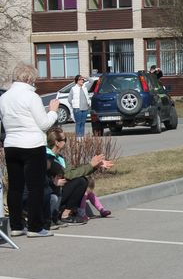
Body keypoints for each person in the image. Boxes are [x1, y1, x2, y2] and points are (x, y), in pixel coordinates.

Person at [0, 63, 60, 238]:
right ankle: (35, 227)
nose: (35, 82)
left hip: (11, 144)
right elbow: (44, 124)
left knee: (15, 187)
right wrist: (53, 111)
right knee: (35, 187)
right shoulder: (31, 96)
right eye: (34, 79)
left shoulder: (4, 97)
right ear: (28, 78)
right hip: (32, 145)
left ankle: (16, 225)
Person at [46, 126, 113, 224]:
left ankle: (65, 213)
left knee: (82, 181)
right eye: (64, 139)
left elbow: (74, 171)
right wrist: (91, 165)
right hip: (50, 193)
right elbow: (69, 174)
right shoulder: (49, 157)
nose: (66, 141)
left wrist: (95, 166)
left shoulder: (60, 157)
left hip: (59, 191)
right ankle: (61, 214)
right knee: (81, 181)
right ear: (57, 143)